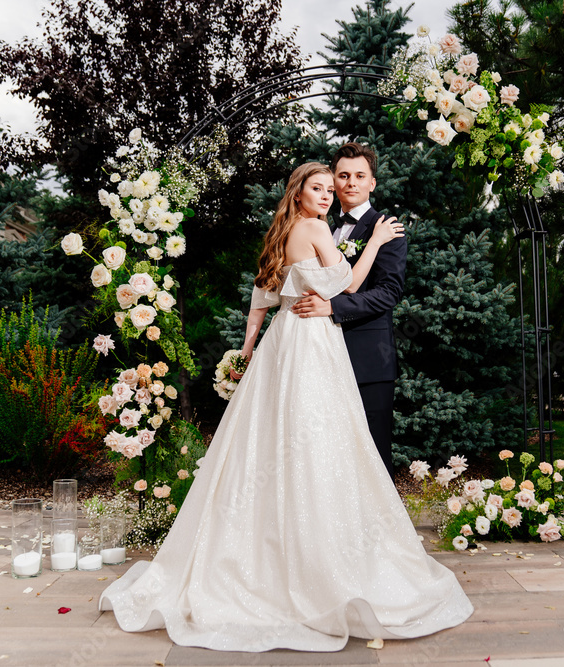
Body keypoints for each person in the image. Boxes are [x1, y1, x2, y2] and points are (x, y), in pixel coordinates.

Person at [98, 162, 473, 652]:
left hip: (282, 345)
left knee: (273, 435)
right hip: (315, 344)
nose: (327, 193)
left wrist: (248, 350)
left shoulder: (280, 233)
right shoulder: (317, 227)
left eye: (329, 187)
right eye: (318, 187)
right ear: (300, 194)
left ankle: (267, 552)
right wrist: (375, 243)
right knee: (322, 436)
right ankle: (313, 557)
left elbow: (261, 298)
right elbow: (351, 285)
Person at [292, 143, 405, 478]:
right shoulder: (319, 225)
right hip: (319, 355)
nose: (350, 182)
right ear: (333, 181)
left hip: (369, 359)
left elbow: (389, 293)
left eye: (359, 175)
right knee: (325, 452)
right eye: (343, 175)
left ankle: (380, 529)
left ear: (372, 183)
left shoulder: (387, 230)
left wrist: (332, 307)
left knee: (372, 452)